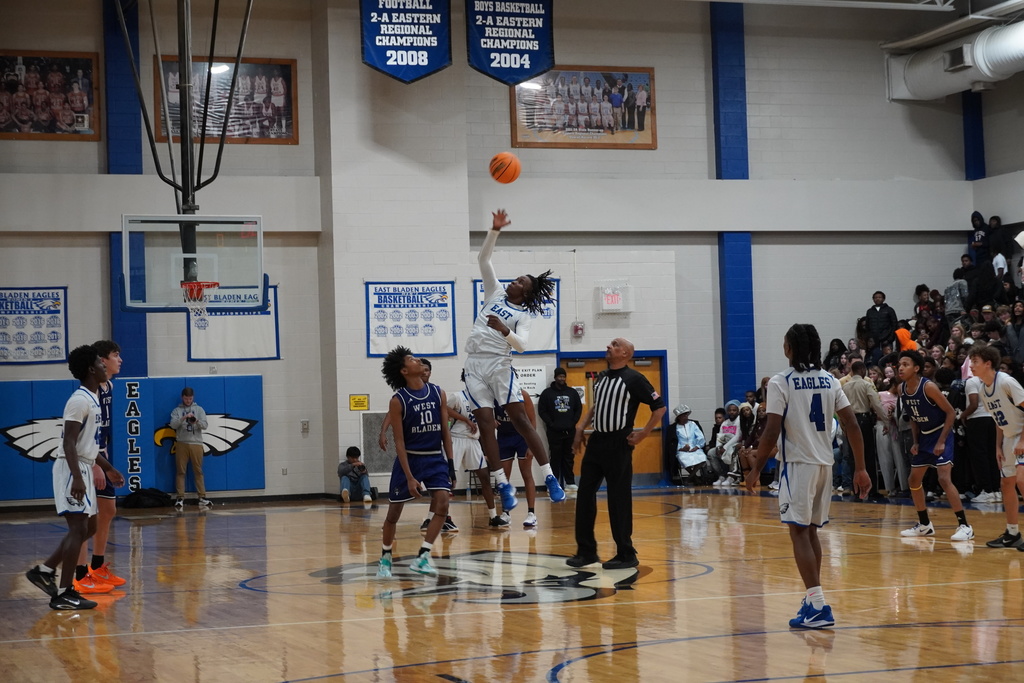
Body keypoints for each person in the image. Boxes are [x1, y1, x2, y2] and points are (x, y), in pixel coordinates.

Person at [744, 323, 869, 630]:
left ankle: (818, 607)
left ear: (789, 348)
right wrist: (861, 467)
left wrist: (756, 469)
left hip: (798, 464)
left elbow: (771, 430)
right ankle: (813, 601)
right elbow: (852, 425)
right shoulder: (829, 379)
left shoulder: (780, 381)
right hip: (825, 464)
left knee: (799, 533)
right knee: (810, 532)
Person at [464, 209, 565, 511]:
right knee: (484, 424)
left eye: (520, 280)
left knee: (520, 420)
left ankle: (549, 477)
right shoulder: (494, 291)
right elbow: (483, 260)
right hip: (473, 365)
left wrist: (503, 328)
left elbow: (521, 345)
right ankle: (502, 484)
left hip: (499, 364)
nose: (513, 280)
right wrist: (494, 230)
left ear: (525, 291)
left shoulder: (525, 314)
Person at [25, 345, 125, 611]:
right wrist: (77, 478)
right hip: (72, 469)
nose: (106, 367)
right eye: (101, 364)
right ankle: (64, 592)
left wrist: (108, 468)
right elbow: (68, 442)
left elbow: (87, 445)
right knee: (79, 528)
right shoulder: (79, 400)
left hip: (84, 464)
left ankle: (45, 571)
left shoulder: (92, 399)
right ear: (91, 369)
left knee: (89, 527)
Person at [567, 337, 666, 570]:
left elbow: (659, 407)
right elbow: (597, 405)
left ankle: (626, 553)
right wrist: (581, 427)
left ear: (626, 354)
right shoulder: (601, 377)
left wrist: (643, 434)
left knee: (618, 499)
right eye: (610, 344)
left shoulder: (635, 379)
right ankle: (586, 551)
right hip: (597, 442)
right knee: (584, 495)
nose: (609, 347)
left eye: (615, 344)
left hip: (618, 443)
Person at [376, 346, 455, 578]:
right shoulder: (398, 400)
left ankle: (423, 556)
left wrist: (450, 464)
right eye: (411, 359)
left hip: (434, 457)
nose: (418, 360)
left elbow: (445, 432)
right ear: (403, 370)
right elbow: (399, 441)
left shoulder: (438, 392)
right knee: (393, 514)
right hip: (409, 459)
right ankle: (386, 557)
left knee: (442, 504)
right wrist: (410, 477)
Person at [897, 351, 974, 541]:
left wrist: (941, 440)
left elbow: (949, 413)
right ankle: (924, 524)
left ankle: (965, 525)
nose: (900, 367)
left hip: (942, 434)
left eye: (905, 364)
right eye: (899, 364)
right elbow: (913, 417)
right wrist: (916, 441)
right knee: (914, 481)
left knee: (944, 479)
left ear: (916, 368)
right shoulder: (901, 389)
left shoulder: (928, 387)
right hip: (924, 438)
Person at [75, 340, 126, 593]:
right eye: (116, 355)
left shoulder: (108, 386)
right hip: (87, 459)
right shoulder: (88, 392)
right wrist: (96, 466)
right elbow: (84, 433)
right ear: (101, 361)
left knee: (107, 511)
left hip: (101, 454)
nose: (121, 360)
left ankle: (97, 567)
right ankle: (80, 574)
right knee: (84, 518)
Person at [968, 345, 1024, 550]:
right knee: (1006, 484)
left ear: (988, 363)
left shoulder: (1007, 382)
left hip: (1022, 435)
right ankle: (1012, 533)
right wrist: (998, 446)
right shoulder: (983, 388)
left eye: (975, 361)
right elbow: (997, 419)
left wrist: (1022, 441)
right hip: (1009, 437)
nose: (971, 366)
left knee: (1021, 480)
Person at [447, 371, 506, 528]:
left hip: (473, 441)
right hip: (456, 439)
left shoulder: (484, 399)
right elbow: (444, 410)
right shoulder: (457, 396)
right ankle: (443, 517)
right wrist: (464, 418)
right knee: (448, 481)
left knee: (485, 477)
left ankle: (493, 516)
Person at [842, 361, 888, 500]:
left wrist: (843, 424)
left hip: (849, 422)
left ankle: (856, 491)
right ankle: (872, 490)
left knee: (853, 456)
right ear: (862, 370)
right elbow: (876, 404)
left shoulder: (845, 387)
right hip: (864, 420)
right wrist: (886, 421)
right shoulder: (866, 384)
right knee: (869, 456)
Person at [495, 390, 540, 527]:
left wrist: (531, 444)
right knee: (504, 477)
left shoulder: (522, 395)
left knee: (527, 474)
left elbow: (532, 420)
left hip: (522, 437)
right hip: (504, 438)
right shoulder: (494, 395)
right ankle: (505, 513)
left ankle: (531, 513)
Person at [538, 367, 583, 491]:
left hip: (570, 431)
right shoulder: (547, 393)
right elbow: (542, 411)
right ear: (555, 377)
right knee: (555, 458)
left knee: (569, 458)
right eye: (559, 376)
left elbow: (578, 409)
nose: (561, 378)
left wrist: (573, 422)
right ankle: (554, 484)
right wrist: (551, 424)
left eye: (563, 376)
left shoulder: (572, 393)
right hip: (554, 432)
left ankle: (570, 482)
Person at [170, 387, 211, 508]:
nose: (188, 401)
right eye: (186, 398)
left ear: (193, 398)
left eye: (190, 398)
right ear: (182, 397)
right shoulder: (176, 410)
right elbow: (173, 425)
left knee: (198, 471)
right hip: (182, 442)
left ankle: (202, 497)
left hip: (196, 443)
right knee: (180, 471)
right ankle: (180, 497)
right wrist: (183, 418)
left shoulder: (199, 409)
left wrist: (196, 421)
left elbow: (205, 426)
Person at [665, 404, 706, 483]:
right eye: (683, 415)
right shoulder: (674, 428)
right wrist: (682, 448)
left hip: (695, 448)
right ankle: (695, 477)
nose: (686, 417)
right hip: (682, 450)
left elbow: (700, 437)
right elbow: (673, 443)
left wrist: (697, 446)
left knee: (702, 458)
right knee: (683, 459)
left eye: (686, 415)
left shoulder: (693, 424)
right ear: (679, 417)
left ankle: (689, 478)